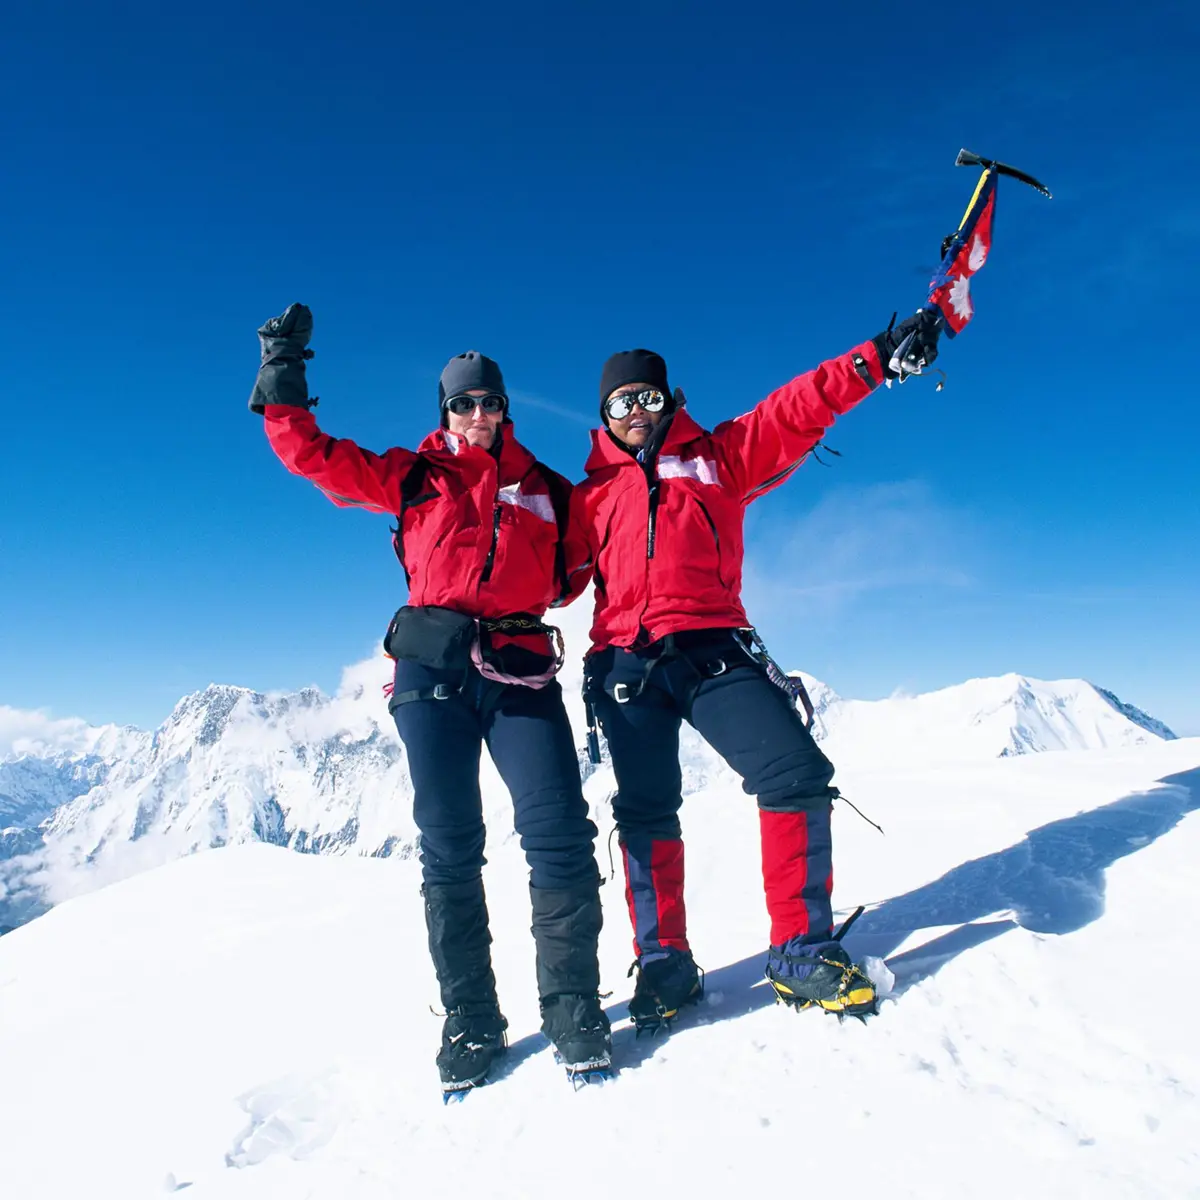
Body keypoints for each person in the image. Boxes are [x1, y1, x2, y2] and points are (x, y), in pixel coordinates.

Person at [248, 303, 610, 1094]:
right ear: (444, 412)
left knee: (557, 832)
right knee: (449, 846)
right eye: (463, 403)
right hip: (433, 676)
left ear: (505, 407)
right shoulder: (413, 477)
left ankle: (573, 1004)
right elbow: (313, 457)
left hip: (518, 669)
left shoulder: (548, 488)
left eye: (489, 402)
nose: (478, 415)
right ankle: (473, 1020)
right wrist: (284, 374)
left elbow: (577, 570)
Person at [571, 318, 933, 1030]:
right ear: (604, 416)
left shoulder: (719, 457)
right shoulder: (587, 495)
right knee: (644, 812)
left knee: (794, 773)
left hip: (711, 649)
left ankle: (800, 950)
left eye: (646, 397)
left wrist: (873, 362)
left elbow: (795, 408)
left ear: (669, 399)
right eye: (621, 403)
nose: (636, 412)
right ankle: (664, 964)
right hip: (625, 666)